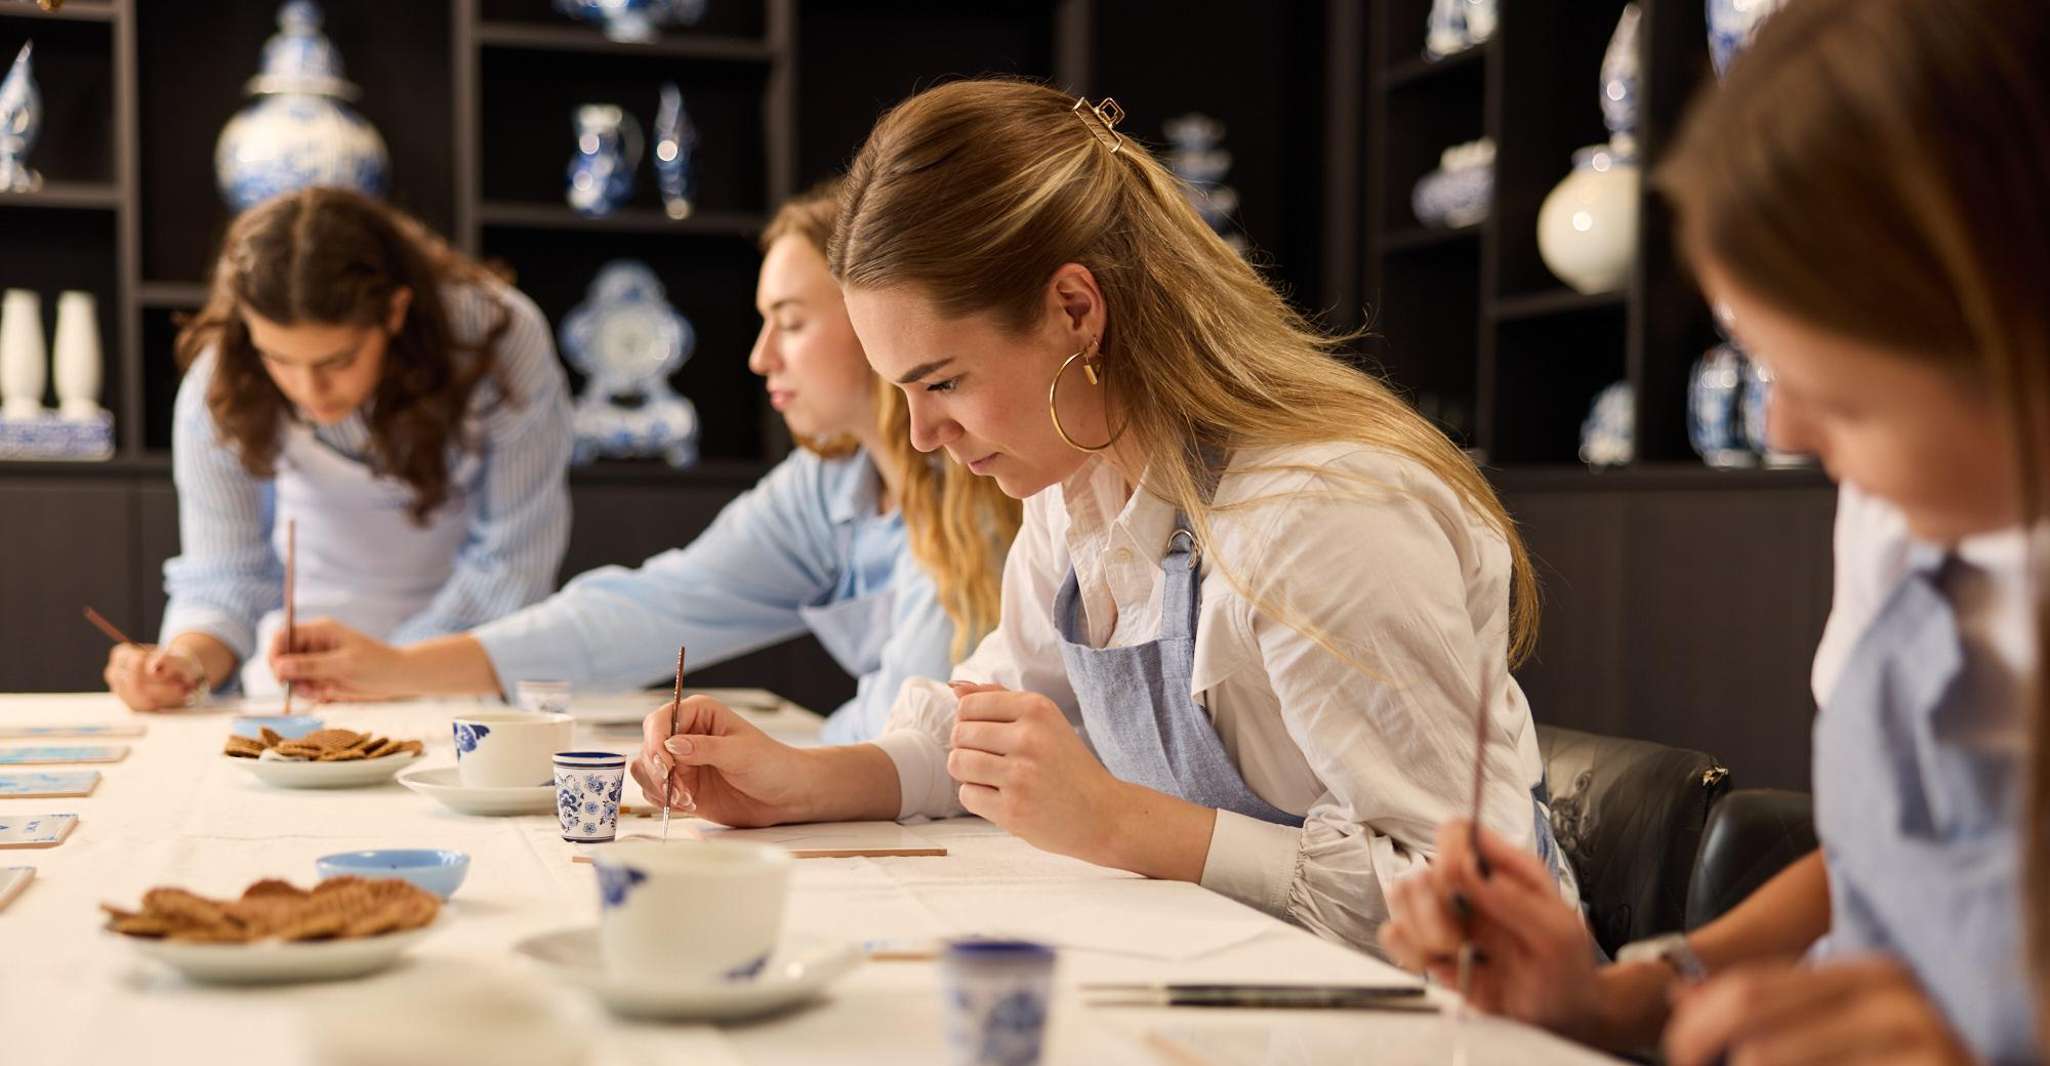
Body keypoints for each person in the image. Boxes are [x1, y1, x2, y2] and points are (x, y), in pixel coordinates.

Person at [627, 79, 1576, 953]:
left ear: (1076, 309)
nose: (918, 436)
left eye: (944, 381)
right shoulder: (1077, 486)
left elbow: (1481, 908)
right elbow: (983, 734)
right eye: (901, 392)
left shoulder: (1321, 514)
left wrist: (1125, 822)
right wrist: (794, 783)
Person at [1378, 1, 2048, 1062]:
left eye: (1841, 391)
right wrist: (1634, 990)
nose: (1780, 426)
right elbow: (1883, 865)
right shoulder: (1913, 509)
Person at [272, 181, 1021, 743]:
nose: (761, 358)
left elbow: (911, 733)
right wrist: (398, 668)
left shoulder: (982, 480)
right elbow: (649, 610)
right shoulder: (828, 485)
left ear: (875, 320)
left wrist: (784, 760)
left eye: (789, 323)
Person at [104, 187, 572, 711]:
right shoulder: (220, 381)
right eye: (278, 359)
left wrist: (389, 670)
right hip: (301, 683)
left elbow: (512, 564)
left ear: (395, 312)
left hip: (462, 673)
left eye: (338, 361)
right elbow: (226, 577)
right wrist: (184, 665)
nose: (308, 390)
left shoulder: (499, 340)